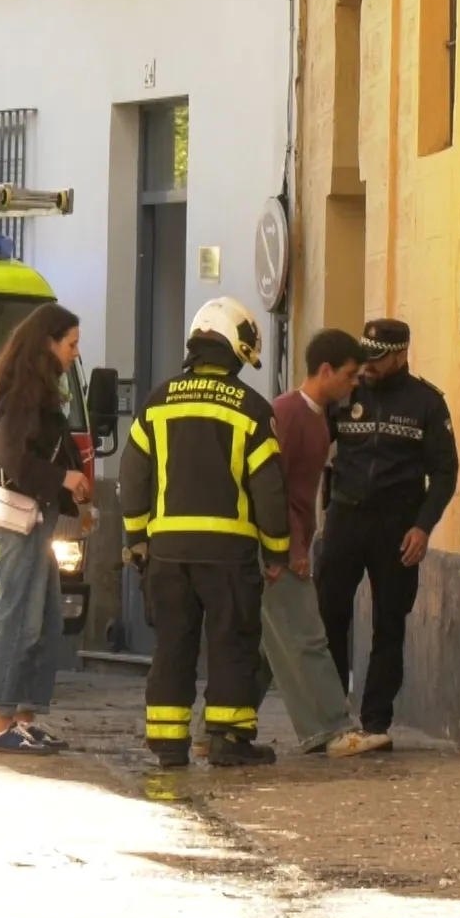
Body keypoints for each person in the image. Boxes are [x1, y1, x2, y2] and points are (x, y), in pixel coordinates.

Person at [120, 297, 292, 769]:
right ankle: (227, 739)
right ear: (234, 349)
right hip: (228, 555)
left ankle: (168, 742)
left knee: (172, 644)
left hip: (168, 554)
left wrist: (136, 540)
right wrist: (277, 552)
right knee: (231, 642)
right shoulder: (252, 410)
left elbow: (132, 477)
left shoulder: (157, 402)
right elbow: (270, 491)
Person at [315, 318, 459, 741]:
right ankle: (329, 715)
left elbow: (445, 473)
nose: (369, 366)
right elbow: (313, 445)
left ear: (401, 354)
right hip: (345, 516)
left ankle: (375, 720)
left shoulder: (426, 403)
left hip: (397, 524)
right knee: (330, 614)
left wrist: (423, 526)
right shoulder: (347, 393)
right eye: (366, 357)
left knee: (389, 621)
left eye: (378, 359)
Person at [259, 330, 392, 757]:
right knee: (308, 638)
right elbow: (273, 488)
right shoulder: (289, 414)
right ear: (326, 371)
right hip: (278, 550)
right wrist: (290, 548)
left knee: (269, 648)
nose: (356, 384)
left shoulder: (315, 416)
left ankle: (217, 729)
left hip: (283, 546)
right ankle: (333, 729)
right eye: (350, 375)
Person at [0, 302, 89, 755]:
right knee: (20, 618)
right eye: (71, 345)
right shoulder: (26, 392)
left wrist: (71, 493)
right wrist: (64, 480)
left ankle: (23, 716)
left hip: (36, 515)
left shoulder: (37, 388)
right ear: (48, 343)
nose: (74, 354)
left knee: (45, 620)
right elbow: (9, 453)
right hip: (20, 518)